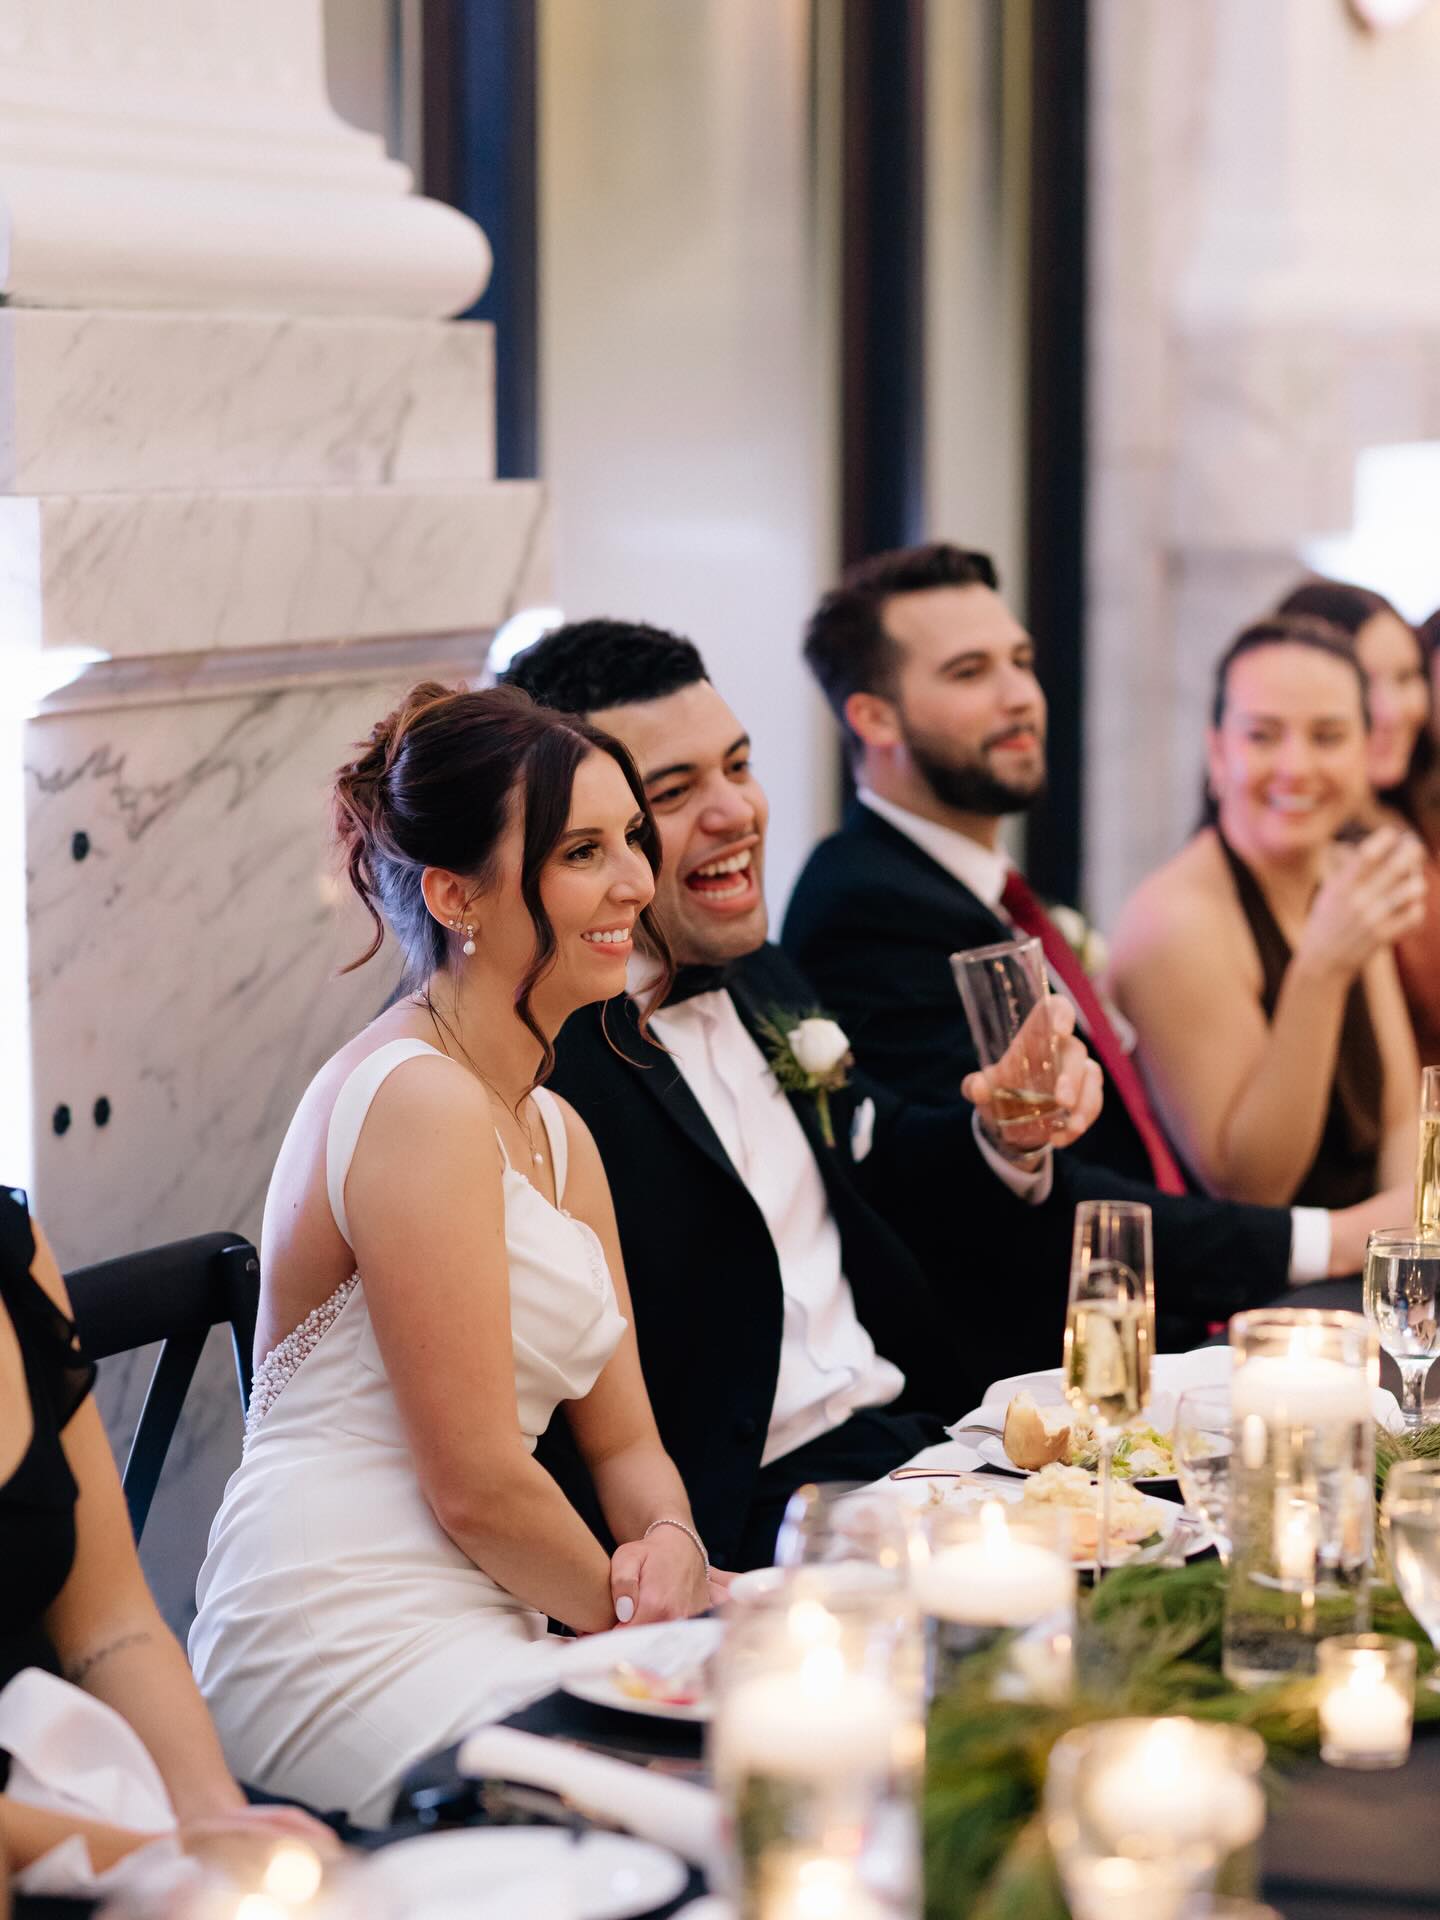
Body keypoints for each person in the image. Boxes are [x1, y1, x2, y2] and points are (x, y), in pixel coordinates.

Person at [189, 685, 714, 1827]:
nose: (635, 880)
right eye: (584, 851)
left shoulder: (560, 1134)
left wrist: (671, 1542)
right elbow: (474, 1484)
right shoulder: (415, 1099)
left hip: (497, 1609)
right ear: (455, 895)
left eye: (633, 838)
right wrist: (654, 1633)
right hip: (335, 1626)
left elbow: (627, 1443)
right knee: (695, 1801)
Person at [502, 621, 1105, 1572]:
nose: (735, 811)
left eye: (738, 766)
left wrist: (1004, 1127)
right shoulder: (536, 1070)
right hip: (746, 1520)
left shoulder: (763, 977)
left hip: (916, 1449)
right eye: (673, 792)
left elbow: (884, 1159)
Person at [783, 543, 1409, 1293]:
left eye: (1020, 660)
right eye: (971, 672)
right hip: (1065, 1340)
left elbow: (1404, 1112)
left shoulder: (980, 892)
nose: (1020, 694)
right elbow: (1006, 1197)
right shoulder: (869, 906)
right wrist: (1338, 1240)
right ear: (874, 718)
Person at [0, 1189, 331, 1875]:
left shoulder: (10, 1251)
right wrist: (165, 1857)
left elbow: (110, 1625)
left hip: (73, 1795)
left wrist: (214, 1814)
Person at [1106, 617, 1423, 1208]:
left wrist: (1409, 1259)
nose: (1295, 767)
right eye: (1263, 736)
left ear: (1363, 750)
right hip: (1253, 1283)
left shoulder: (1344, 871)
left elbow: (1400, 1122)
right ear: (1217, 752)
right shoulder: (1176, 921)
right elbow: (1251, 1184)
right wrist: (1322, 967)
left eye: (1327, 737)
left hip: (1365, 1270)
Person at [1276, 579, 1440, 1065]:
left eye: (1407, 677)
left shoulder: (1406, 813)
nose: (1392, 709)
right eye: (1367, 682)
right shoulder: (1320, 854)